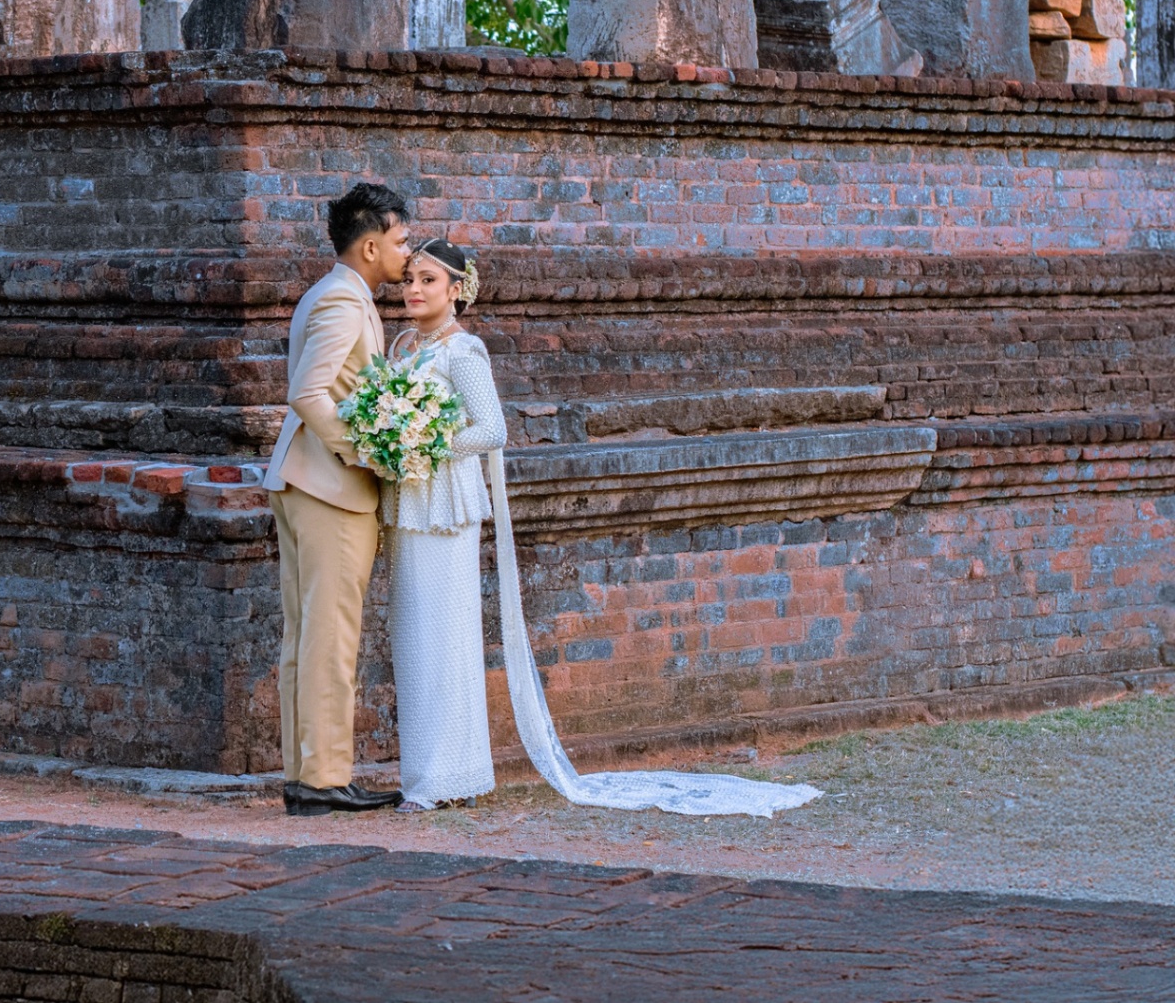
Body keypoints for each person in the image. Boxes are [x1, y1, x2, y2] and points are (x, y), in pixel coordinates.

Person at [385, 239, 822, 818]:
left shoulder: (463, 352)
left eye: (428, 281)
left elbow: (492, 430)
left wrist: (427, 443)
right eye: (409, 279)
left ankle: (444, 776)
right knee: (414, 634)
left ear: (457, 291)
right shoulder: (401, 348)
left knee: (445, 636)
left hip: (447, 503)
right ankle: (429, 771)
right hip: (409, 501)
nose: (414, 291)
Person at [263, 182, 413, 817]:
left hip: (305, 484)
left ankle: (308, 775)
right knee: (330, 638)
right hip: (329, 489)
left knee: (306, 636)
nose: (408, 254)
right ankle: (324, 779)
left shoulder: (336, 295)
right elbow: (307, 393)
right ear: (372, 244)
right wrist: (365, 449)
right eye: (403, 242)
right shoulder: (343, 303)